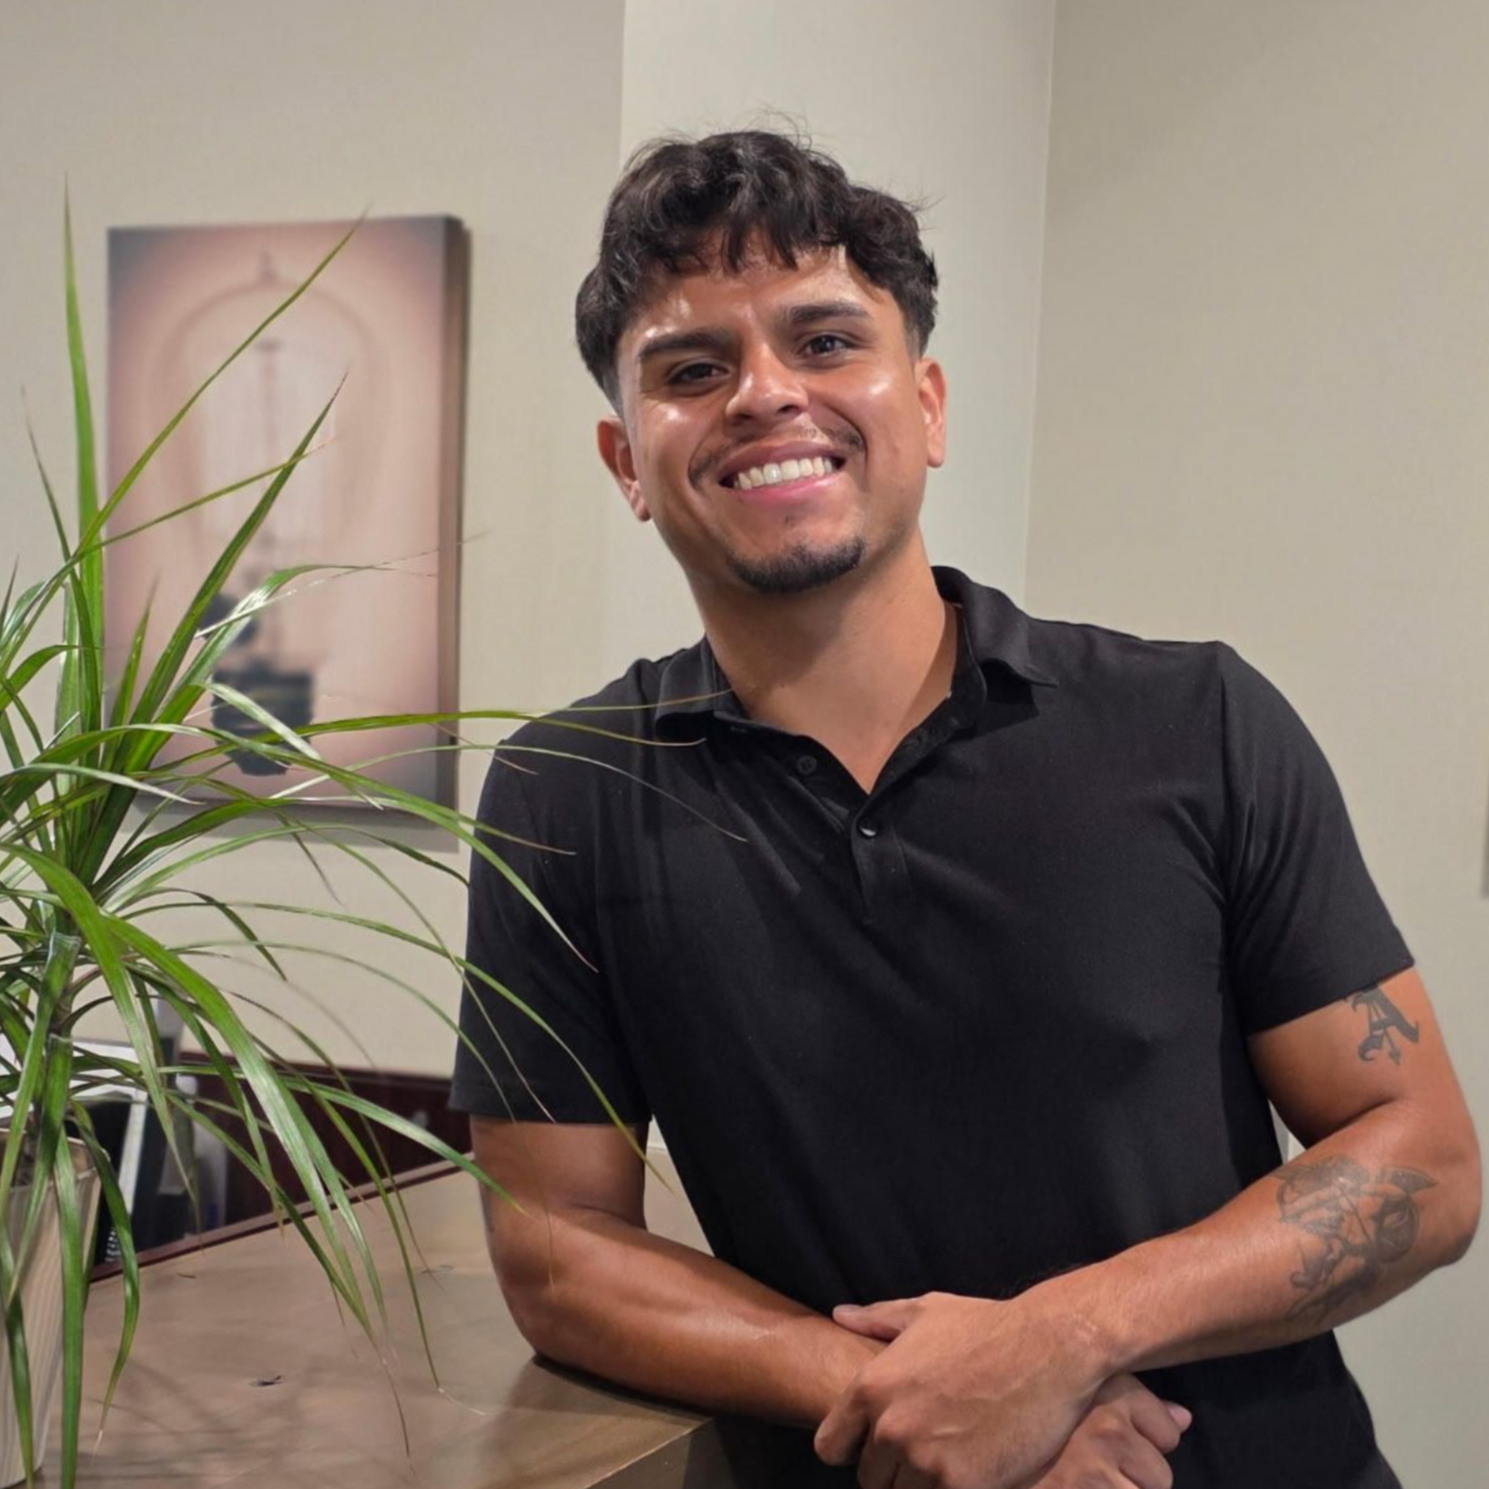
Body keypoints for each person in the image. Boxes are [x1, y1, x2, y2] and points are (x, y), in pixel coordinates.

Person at [450, 129, 1480, 1488]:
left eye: (824, 341)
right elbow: (556, 1249)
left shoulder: (1196, 723)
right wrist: (910, 1392)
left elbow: (1423, 1158)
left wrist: (1060, 1341)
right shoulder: (566, 794)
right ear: (626, 461)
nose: (765, 394)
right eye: (692, 370)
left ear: (925, 406)